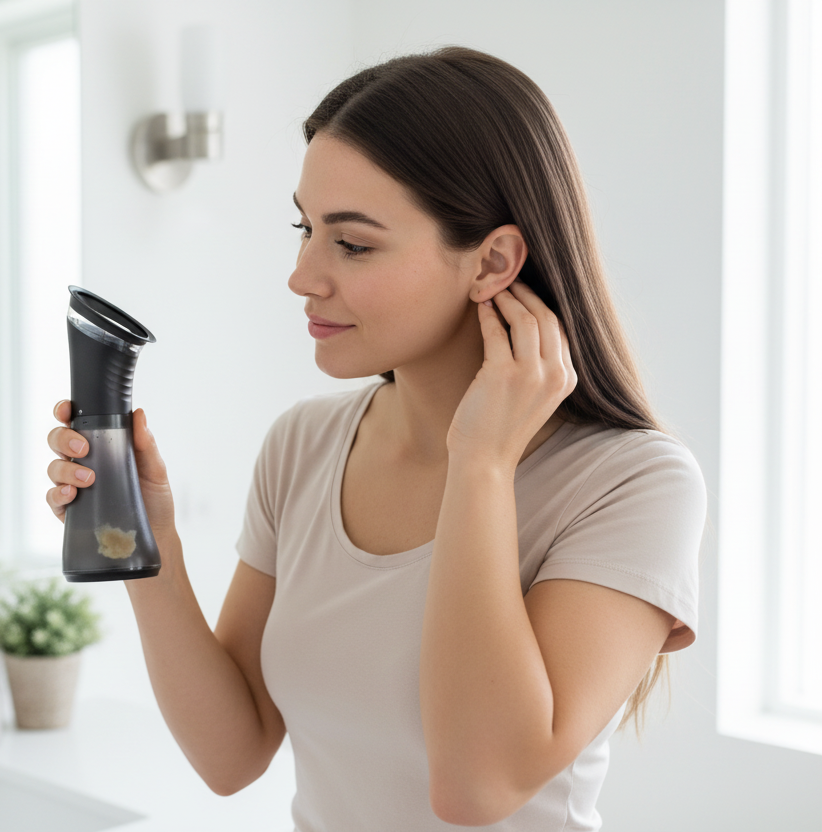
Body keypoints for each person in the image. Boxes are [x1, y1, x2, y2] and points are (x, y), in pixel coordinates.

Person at [45, 47, 706, 831]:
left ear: (493, 260)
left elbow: (476, 789)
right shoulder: (304, 446)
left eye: (352, 244)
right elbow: (232, 756)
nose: (302, 275)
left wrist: (483, 464)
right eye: (305, 228)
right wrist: (150, 547)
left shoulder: (632, 484)